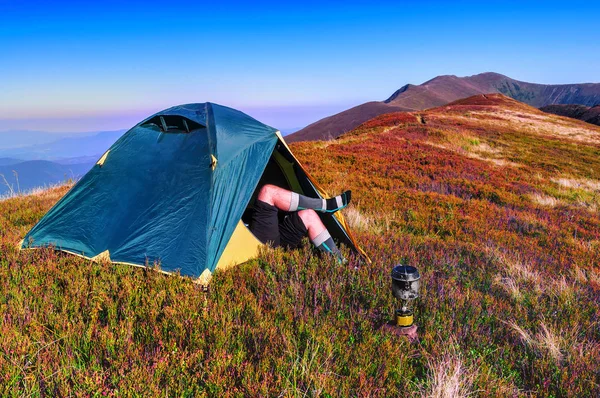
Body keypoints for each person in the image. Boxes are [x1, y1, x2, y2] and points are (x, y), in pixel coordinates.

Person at [250, 184, 351, 261]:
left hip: (277, 239)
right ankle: (325, 206)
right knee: (268, 192)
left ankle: (340, 261)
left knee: (309, 216)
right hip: (260, 244)